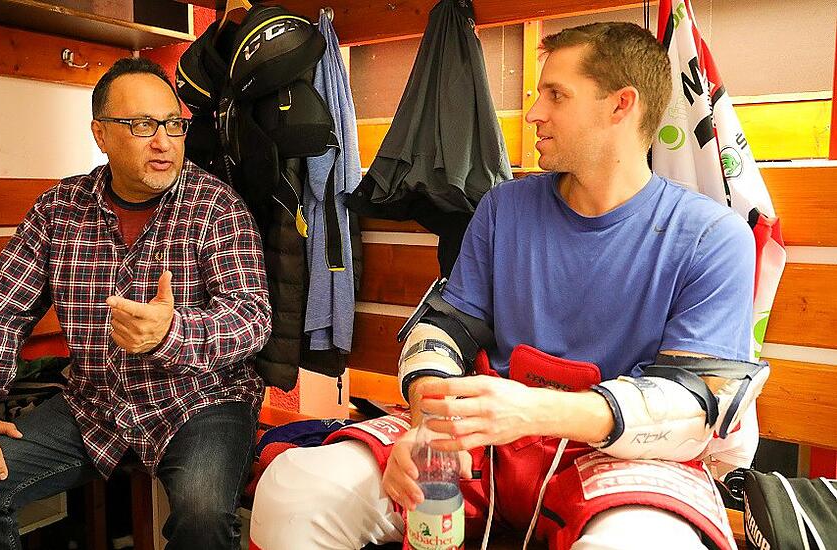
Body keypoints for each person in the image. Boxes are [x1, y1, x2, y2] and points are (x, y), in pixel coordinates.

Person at [250, 22, 764, 550]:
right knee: (295, 490)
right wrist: (431, 420)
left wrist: (532, 410)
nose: (535, 112)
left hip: (620, 456)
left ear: (620, 106)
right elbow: (443, 329)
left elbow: (695, 402)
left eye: (556, 95)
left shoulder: (711, 236)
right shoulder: (503, 208)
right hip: (481, 444)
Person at [0, 57, 271, 550]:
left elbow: (250, 318)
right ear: (101, 133)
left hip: (201, 401)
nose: (163, 142)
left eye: (173, 124)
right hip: (95, 401)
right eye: (141, 125)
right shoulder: (59, 208)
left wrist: (171, 332)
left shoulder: (217, 206)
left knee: (203, 516)